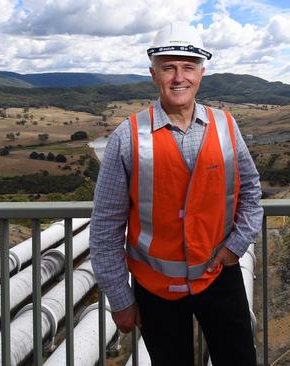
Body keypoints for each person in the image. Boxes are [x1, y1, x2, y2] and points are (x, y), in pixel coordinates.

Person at [90, 21, 263, 366]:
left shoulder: (227, 126)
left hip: (219, 278)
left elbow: (252, 193)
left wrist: (235, 247)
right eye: (168, 68)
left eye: (188, 67)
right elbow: (106, 227)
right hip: (156, 291)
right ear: (153, 74)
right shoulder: (127, 137)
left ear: (201, 73)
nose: (179, 77)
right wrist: (121, 299)